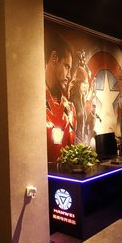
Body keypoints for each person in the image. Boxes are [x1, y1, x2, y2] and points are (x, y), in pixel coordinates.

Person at [44, 30, 75, 162]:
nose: (69, 76)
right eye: (67, 66)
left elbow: (70, 153)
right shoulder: (32, 101)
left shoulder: (69, 108)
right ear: (54, 58)